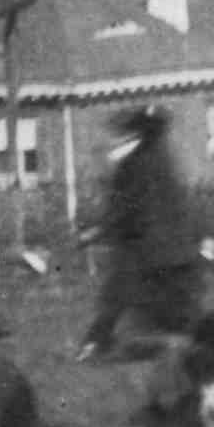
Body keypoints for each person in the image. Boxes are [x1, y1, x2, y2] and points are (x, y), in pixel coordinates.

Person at [85, 109, 196, 364]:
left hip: (143, 248)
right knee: (180, 304)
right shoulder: (167, 162)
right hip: (175, 250)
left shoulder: (132, 165)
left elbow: (124, 208)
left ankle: (96, 345)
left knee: (117, 298)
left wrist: (100, 230)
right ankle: (187, 348)